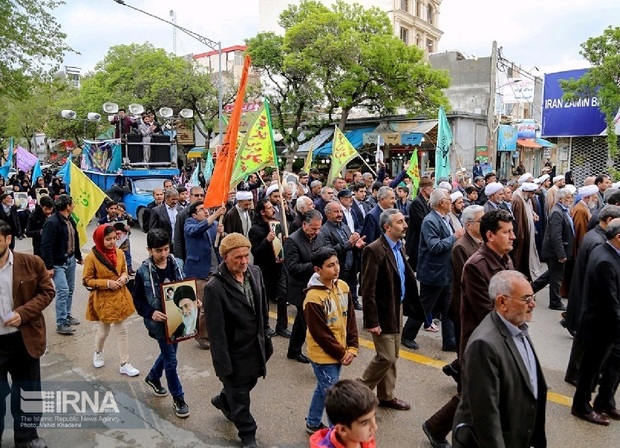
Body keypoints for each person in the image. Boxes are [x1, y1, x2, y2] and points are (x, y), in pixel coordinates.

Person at [453, 270, 547, 448]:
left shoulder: (517, 326)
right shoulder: (484, 345)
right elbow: (486, 417)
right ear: (502, 302)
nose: (533, 304)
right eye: (526, 299)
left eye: (532, 297)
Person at [204, 233, 273, 448]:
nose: (244, 261)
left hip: (257, 346)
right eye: (238, 258)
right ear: (225, 257)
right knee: (241, 395)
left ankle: (224, 400)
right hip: (234, 352)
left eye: (246, 255)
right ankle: (247, 433)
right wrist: (223, 365)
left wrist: (266, 335)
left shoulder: (255, 272)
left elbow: (262, 307)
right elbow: (216, 333)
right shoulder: (214, 288)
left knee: (247, 383)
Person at [359, 209, 424, 410]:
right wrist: (372, 321)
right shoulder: (374, 250)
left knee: (393, 355)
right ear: (387, 227)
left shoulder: (399, 246)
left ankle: (386, 396)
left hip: (397, 307)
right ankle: (357, 391)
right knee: (385, 356)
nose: (405, 225)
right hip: (382, 311)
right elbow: (367, 290)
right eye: (399, 222)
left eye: (404, 221)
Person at [0, 219, 55, 448]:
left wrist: (23, 313)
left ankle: (27, 437)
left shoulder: (31, 263)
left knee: (27, 391)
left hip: (24, 339)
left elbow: (47, 291)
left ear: (8, 239)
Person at [132, 229, 189, 418]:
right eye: (158, 251)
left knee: (169, 354)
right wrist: (151, 313)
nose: (163, 254)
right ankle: (178, 398)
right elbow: (138, 300)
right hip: (159, 323)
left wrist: (194, 301)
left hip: (179, 319)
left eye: (165, 249)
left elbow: (186, 288)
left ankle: (153, 377)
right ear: (149, 250)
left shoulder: (178, 264)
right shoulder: (143, 272)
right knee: (171, 360)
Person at [304, 247, 359, 434]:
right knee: (333, 396)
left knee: (324, 388)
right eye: (330, 266)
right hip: (322, 356)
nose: (336, 268)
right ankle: (338, 437)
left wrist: (352, 347)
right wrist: (342, 353)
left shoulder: (343, 286)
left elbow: (350, 318)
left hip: (341, 351)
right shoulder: (313, 297)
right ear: (317, 270)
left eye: (336, 263)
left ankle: (312, 422)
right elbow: (321, 334)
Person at [571, 218, 620, 426]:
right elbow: (610, 301)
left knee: (613, 364)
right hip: (600, 326)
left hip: (608, 326)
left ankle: (605, 401)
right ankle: (581, 406)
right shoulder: (605, 261)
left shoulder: (609, 252)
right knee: (590, 369)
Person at [401, 189, 464, 351]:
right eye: (449, 199)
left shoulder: (445, 218)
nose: (451, 202)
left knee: (448, 307)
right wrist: (454, 237)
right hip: (433, 272)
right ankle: (407, 335)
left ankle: (449, 341)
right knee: (424, 306)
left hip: (447, 271)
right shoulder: (430, 221)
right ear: (442, 202)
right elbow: (434, 246)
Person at [83, 225, 138, 376]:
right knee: (103, 331)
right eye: (108, 239)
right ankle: (98, 351)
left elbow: (124, 270)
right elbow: (87, 280)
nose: (112, 242)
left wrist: (124, 277)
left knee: (122, 330)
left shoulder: (119, 252)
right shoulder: (91, 258)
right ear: (100, 239)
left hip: (120, 296)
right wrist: (107, 283)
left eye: (114, 238)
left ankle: (124, 363)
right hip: (103, 299)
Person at [285, 210, 326, 363]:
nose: (316, 232)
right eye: (313, 228)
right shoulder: (293, 241)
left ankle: (293, 350)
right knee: (310, 323)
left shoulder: (320, 236)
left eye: (318, 228)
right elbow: (292, 268)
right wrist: (315, 265)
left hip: (317, 286)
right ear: (304, 224)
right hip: (301, 289)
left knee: (301, 322)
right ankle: (318, 357)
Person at [40, 194, 83, 335]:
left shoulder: (70, 220)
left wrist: (78, 256)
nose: (74, 205)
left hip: (70, 260)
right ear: (67, 206)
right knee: (63, 291)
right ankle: (61, 323)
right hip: (58, 263)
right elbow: (46, 246)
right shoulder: (52, 223)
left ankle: (67, 315)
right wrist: (49, 267)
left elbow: (74, 238)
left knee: (70, 289)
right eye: (72, 203)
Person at [249, 199, 290, 338]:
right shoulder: (255, 229)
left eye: (273, 207)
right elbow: (256, 251)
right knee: (264, 300)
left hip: (279, 266)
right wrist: (267, 239)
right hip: (264, 269)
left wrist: (283, 240)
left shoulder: (276, 224)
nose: (273, 210)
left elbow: (279, 246)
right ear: (262, 212)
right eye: (269, 208)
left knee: (283, 297)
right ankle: (265, 326)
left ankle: (282, 326)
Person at [532, 188, 575, 310]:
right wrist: (561, 254)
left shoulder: (563, 210)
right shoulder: (557, 212)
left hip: (558, 250)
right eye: (567, 198)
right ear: (560, 199)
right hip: (555, 252)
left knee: (551, 274)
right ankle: (555, 302)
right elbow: (556, 236)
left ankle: (532, 288)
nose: (570, 200)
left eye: (571, 197)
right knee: (556, 278)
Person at [320, 201, 365, 311]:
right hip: (339, 267)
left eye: (340, 211)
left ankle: (353, 301)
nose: (340, 214)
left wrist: (356, 245)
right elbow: (329, 251)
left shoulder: (344, 226)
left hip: (350, 265)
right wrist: (349, 244)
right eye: (336, 212)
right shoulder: (324, 230)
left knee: (352, 286)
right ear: (328, 214)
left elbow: (351, 243)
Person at [309, 379, 378, 448]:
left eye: (374, 416)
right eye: (365, 423)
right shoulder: (362, 436)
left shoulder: (363, 438)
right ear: (343, 429)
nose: (375, 427)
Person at [405, 176, 433, 271]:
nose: (433, 190)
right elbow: (421, 223)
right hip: (416, 244)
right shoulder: (417, 203)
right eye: (431, 187)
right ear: (425, 189)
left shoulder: (426, 202)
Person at [172, 186, 204, 260]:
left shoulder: (207, 213)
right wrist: (179, 260)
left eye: (202, 195)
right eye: (196, 195)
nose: (199, 198)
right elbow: (178, 240)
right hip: (188, 256)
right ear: (190, 196)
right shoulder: (182, 215)